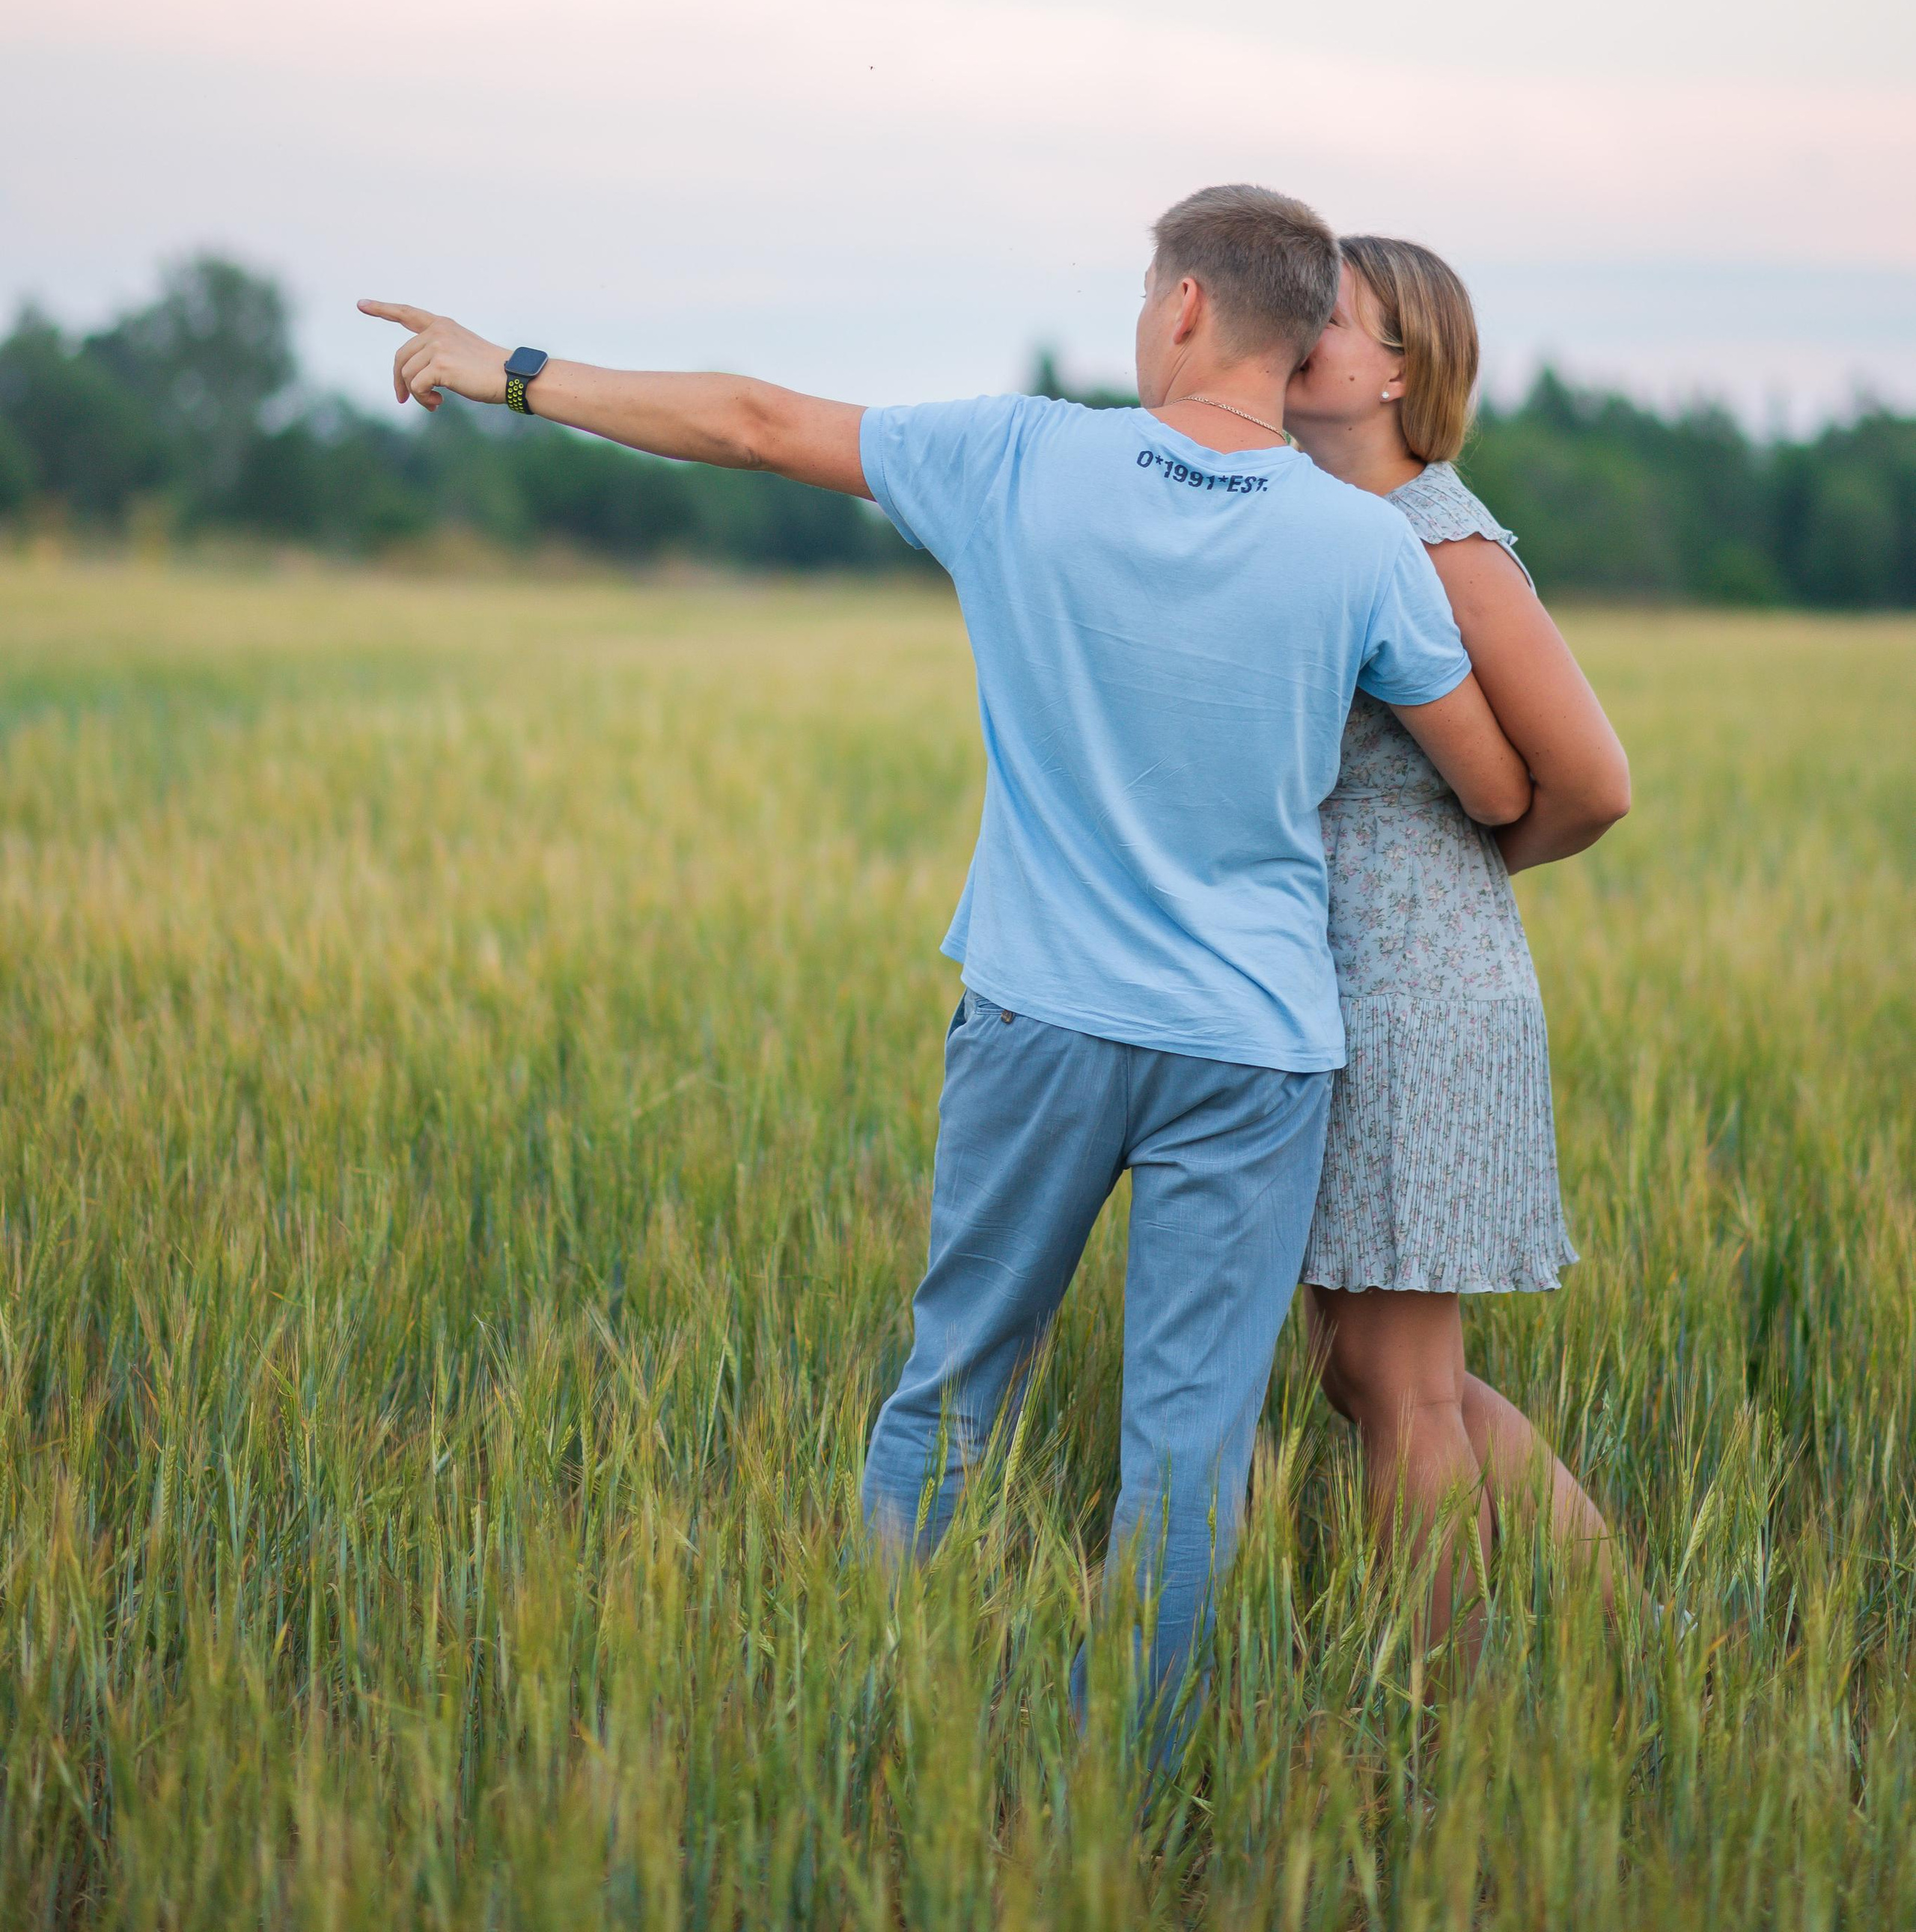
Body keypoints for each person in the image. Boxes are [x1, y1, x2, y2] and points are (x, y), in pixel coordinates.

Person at [359, 183, 1533, 1755]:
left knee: (956, 1388)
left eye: (1146, 294)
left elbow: (753, 422)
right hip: (1257, 1046)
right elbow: (1495, 787)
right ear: (1302, 330)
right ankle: (1122, 1794)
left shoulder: (1021, 458)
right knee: (1186, 1455)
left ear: (1186, 306)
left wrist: (509, 370)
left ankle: (873, 1736)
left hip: (1042, 1017)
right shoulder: (1363, 547)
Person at [1282, 236, 1632, 1639]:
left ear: (1398, 370)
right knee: (1366, 1371)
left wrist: (1454, 880)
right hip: (1343, 980)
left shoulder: (1442, 540)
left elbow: (1593, 783)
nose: (1297, 328)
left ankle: (1428, 1697)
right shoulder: (1335, 522)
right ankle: (1628, 1630)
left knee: (1400, 1384)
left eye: (1329, 316)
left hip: (1416, 989)